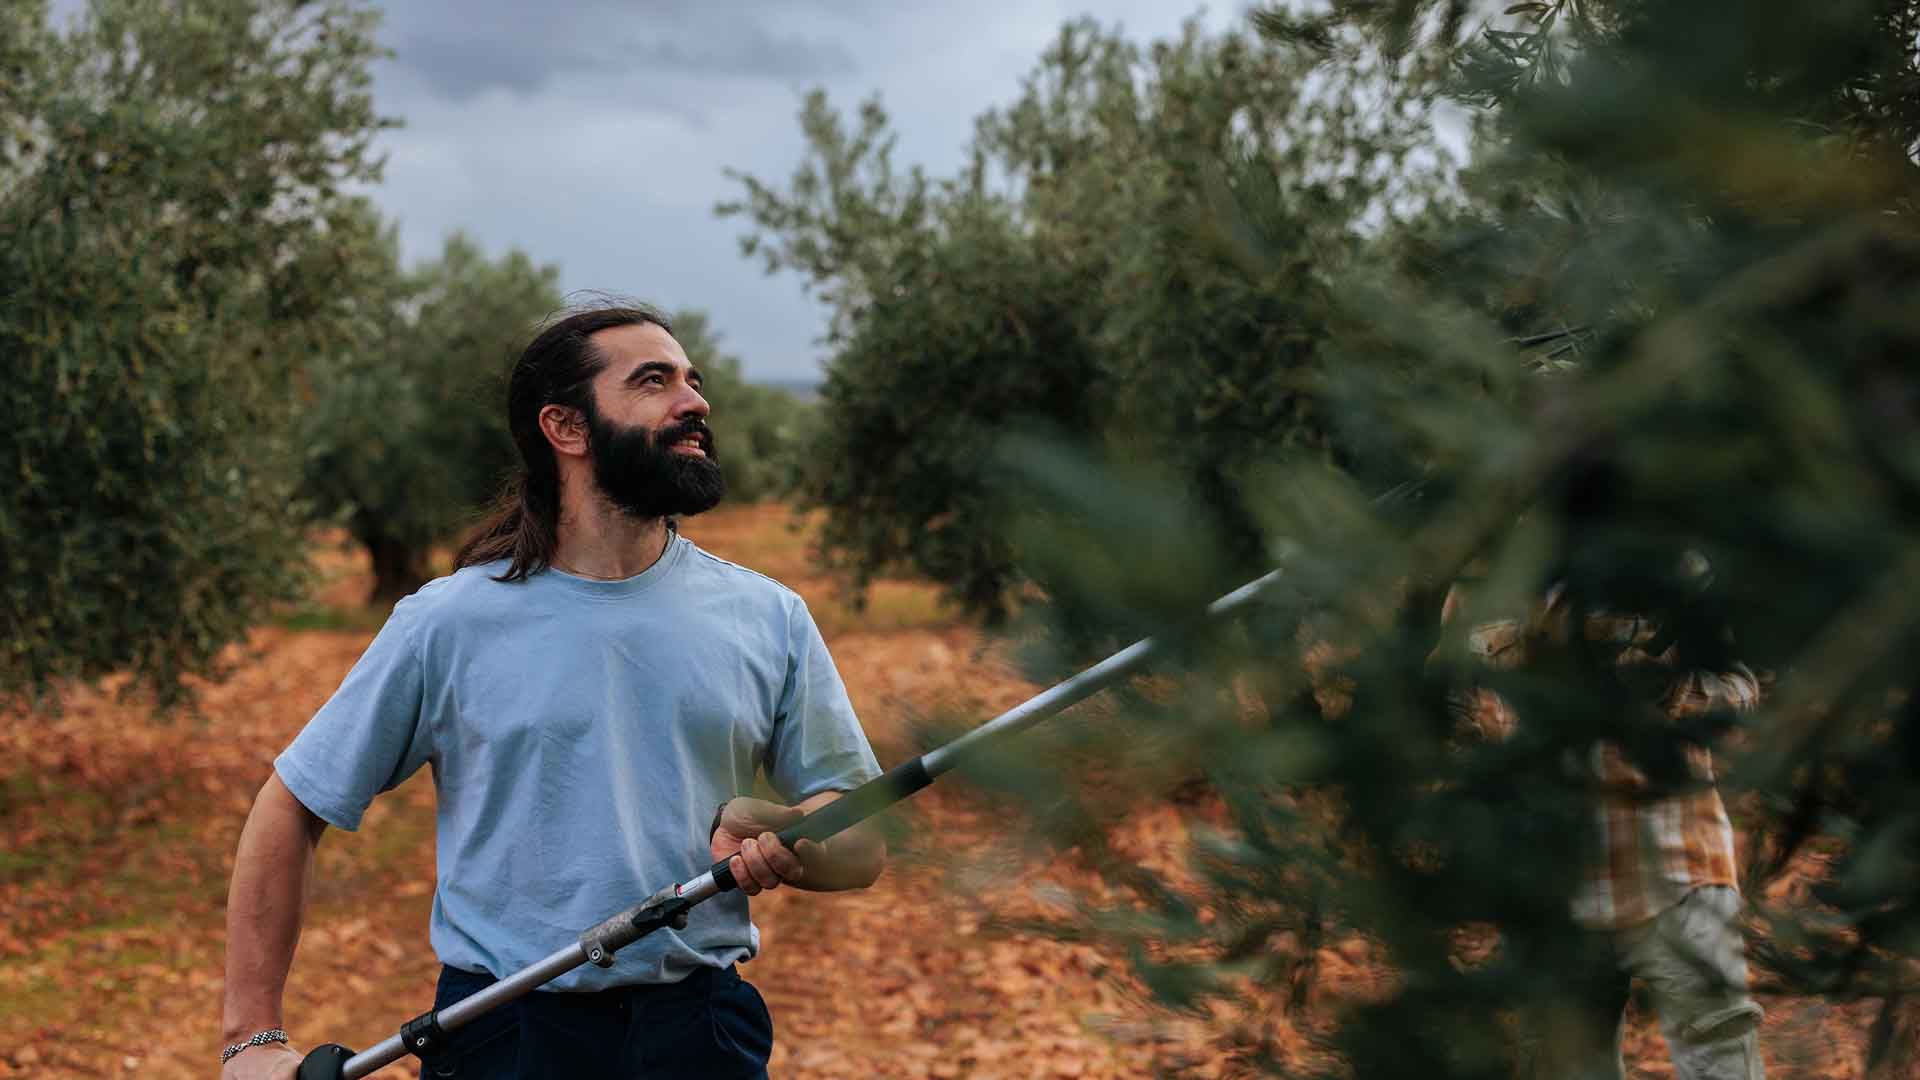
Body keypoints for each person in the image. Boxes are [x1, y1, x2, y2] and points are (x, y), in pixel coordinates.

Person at [219, 303, 887, 1080]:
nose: (694, 401)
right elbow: (292, 802)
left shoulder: (768, 617)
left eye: (693, 381)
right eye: (653, 380)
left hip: (703, 1035)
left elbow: (863, 841)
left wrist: (787, 834)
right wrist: (251, 1037)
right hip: (504, 1036)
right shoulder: (450, 622)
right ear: (566, 428)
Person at [1442, 565, 1766, 1080]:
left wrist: (1674, 689)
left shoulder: (1660, 559)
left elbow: (1741, 693)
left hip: (1679, 871)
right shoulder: (1483, 581)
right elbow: (1449, 707)